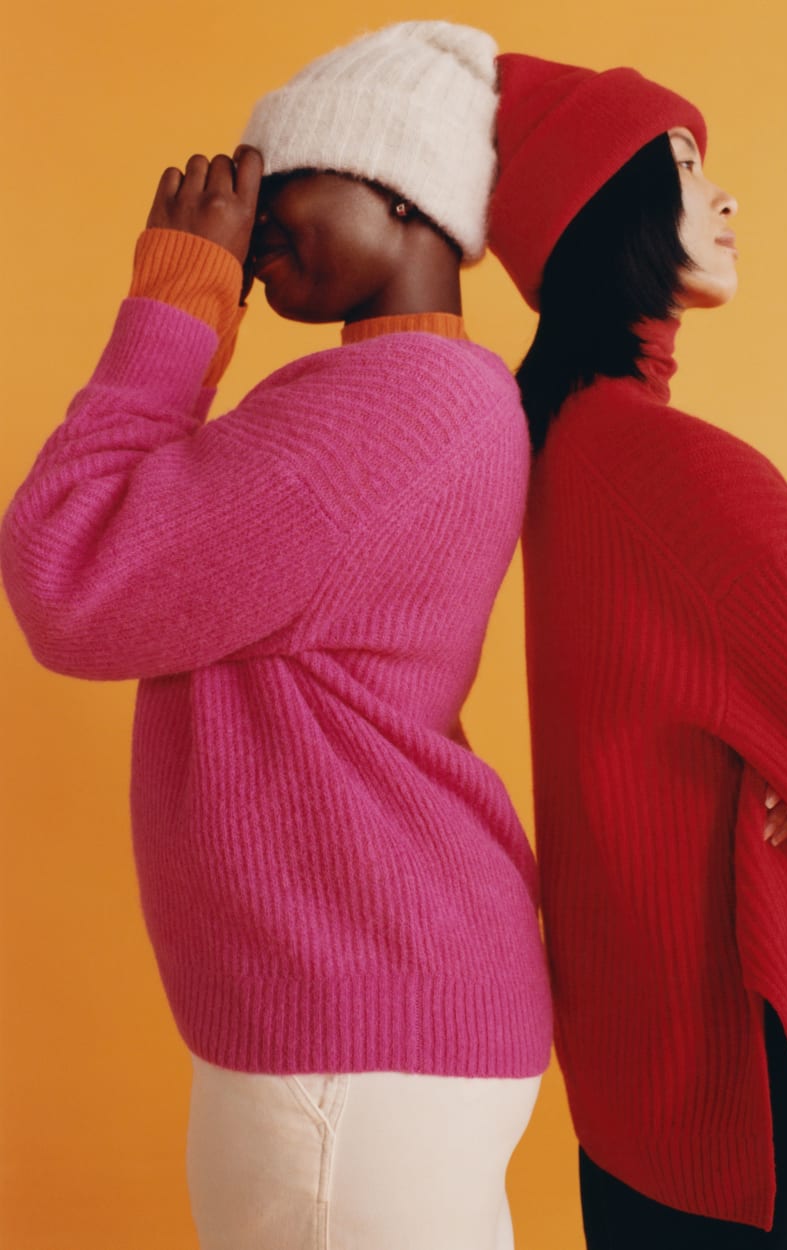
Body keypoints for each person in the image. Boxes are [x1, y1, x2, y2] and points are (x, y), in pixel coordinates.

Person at [1, 23, 552, 1250]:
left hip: (349, 1030)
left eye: (284, 178)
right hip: (383, 1013)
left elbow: (66, 575)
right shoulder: (442, 397)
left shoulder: (389, 408)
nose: (248, 222)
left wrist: (176, 299)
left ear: (401, 188)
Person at [488, 53, 787, 1248]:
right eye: (687, 167)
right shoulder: (678, 476)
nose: (724, 196)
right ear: (606, 205)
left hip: (644, 1090)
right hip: (760, 1084)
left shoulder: (557, 457)